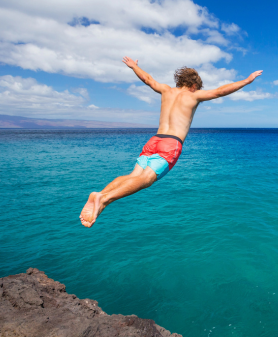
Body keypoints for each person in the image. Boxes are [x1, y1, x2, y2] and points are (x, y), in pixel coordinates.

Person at [79, 57, 263, 227]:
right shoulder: (194, 95)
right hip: (171, 144)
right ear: (193, 85)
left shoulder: (166, 90)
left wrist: (134, 66)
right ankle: (103, 199)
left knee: (133, 175)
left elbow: (148, 79)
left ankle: (101, 196)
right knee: (145, 180)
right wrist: (247, 80)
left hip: (153, 141)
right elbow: (220, 91)